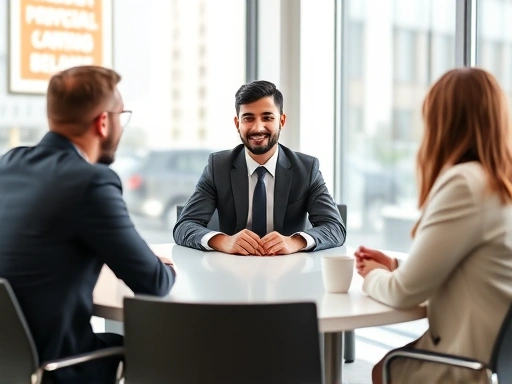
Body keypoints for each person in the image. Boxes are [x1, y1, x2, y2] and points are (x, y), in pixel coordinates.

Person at [0, 66, 175, 383]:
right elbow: (153, 283)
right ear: (104, 122)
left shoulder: (9, 163)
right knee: (162, 347)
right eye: (122, 115)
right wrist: (164, 267)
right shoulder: (90, 182)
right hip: (56, 368)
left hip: (8, 362)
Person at [355, 67, 512, 383]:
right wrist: (397, 264)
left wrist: (372, 276)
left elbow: (402, 293)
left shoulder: (464, 184)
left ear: (443, 123)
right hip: (493, 353)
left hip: (466, 363)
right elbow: (470, 266)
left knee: (382, 368)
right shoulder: (498, 183)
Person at [173, 80, 345, 255]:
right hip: (231, 271)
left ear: (281, 121)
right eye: (248, 118)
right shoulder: (218, 167)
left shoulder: (307, 169)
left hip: (290, 271)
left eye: (267, 117)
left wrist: (295, 241)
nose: (258, 128)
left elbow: (335, 228)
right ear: (237, 123)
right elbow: (184, 226)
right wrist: (224, 241)